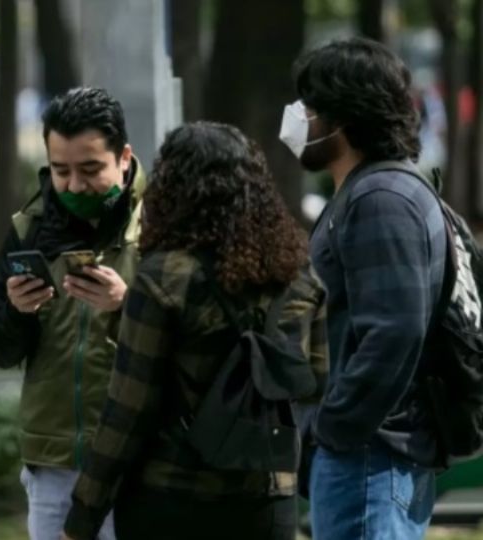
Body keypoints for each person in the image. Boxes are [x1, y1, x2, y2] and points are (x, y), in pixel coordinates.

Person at [61, 121, 328, 540]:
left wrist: (81, 520)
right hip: (268, 498)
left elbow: (127, 413)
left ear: (172, 190)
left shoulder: (162, 278)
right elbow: (315, 380)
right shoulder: (298, 275)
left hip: (171, 499)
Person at [283, 38, 446, 539]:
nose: (296, 118)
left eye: (308, 106)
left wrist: (333, 430)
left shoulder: (381, 200)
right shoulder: (371, 192)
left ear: (342, 116)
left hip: (369, 460)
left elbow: (394, 334)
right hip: (366, 457)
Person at [0, 87, 146, 540]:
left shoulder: (158, 226)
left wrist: (126, 305)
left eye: (91, 169)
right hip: (53, 463)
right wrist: (18, 312)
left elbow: (191, 337)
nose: (74, 185)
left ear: (124, 158)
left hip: (138, 462)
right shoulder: (29, 230)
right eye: (61, 170)